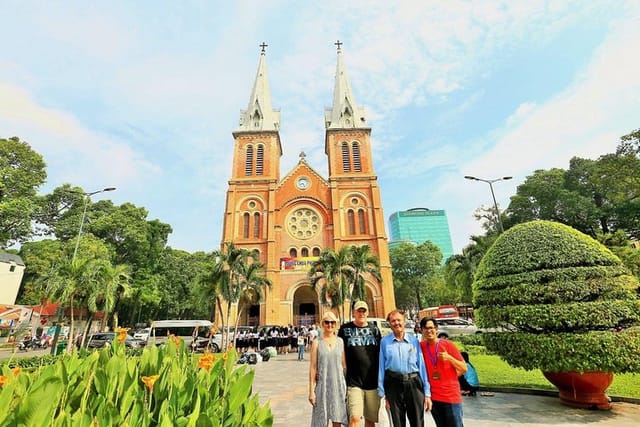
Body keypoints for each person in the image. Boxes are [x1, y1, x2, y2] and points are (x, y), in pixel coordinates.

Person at [378, 309, 432, 427]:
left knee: (417, 421)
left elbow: (421, 366)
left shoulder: (414, 341)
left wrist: (427, 393)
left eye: (399, 320)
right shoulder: (385, 342)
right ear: (389, 324)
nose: (396, 323)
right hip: (393, 384)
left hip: (414, 383)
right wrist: (382, 393)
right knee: (397, 422)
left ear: (405, 321)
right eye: (393, 321)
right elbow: (381, 368)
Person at [338, 301, 382, 427]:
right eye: (359, 311)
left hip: (372, 382)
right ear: (353, 312)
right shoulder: (345, 329)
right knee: (355, 418)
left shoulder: (375, 330)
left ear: (367, 312)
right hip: (354, 381)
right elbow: (339, 351)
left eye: (364, 311)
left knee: (370, 420)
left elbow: (381, 353)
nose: (361, 313)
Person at [420, 317, 467, 427]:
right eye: (425, 328)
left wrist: (449, 358)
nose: (428, 331)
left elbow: (464, 368)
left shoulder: (448, 345)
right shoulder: (421, 346)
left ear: (436, 329)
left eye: (431, 328)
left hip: (451, 397)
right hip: (434, 397)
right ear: (421, 330)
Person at [309, 311, 348, 427]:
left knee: (338, 419)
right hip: (323, 386)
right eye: (327, 322)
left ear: (336, 324)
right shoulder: (316, 343)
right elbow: (313, 367)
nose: (329, 325)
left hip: (338, 385)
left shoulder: (340, 341)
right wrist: (311, 390)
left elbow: (344, 365)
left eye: (332, 322)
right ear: (322, 324)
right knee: (322, 420)